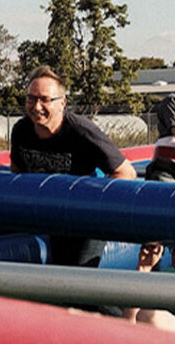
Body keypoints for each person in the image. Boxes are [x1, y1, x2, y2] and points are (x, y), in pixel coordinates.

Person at [10, 66, 137, 267]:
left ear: (62, 103)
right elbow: (16, 174)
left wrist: (91, 203)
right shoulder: (21, 131)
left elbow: (126, 172)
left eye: (44, 99)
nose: (36, 106)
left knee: (79, 276)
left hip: (86, 220)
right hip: (50, 216)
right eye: (31, 98)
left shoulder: (81, 131)